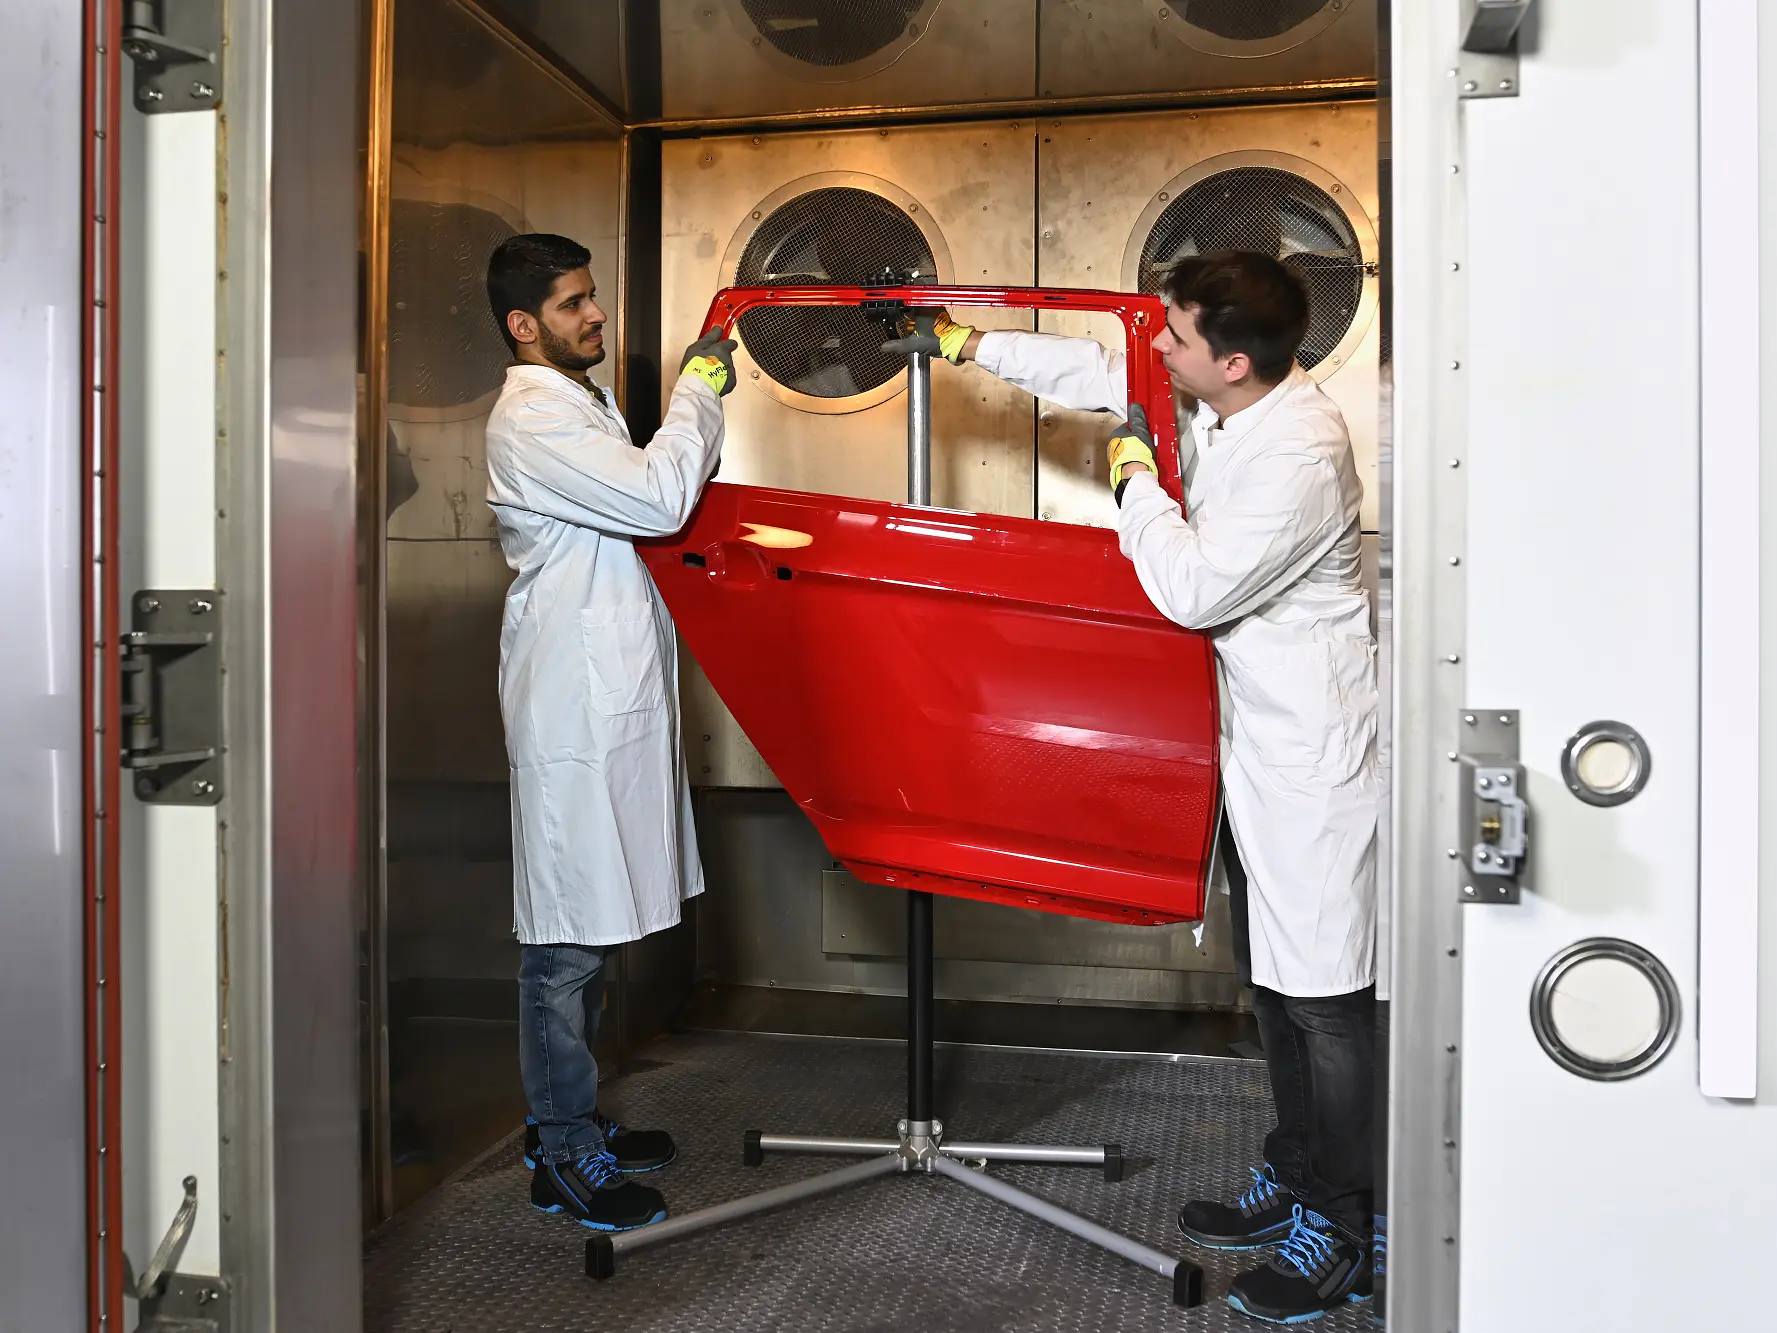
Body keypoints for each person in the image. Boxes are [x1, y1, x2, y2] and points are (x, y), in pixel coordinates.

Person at [908, 253, 1378, 1323]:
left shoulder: (1299, 453)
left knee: (1327, 1001)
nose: (1156, 349)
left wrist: (1131, 480)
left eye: (1175, 338)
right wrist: (967, 343)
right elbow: (1105, 368)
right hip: (1257, 745)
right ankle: (1301, 1176)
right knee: (1277, 980)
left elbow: (1190, 586)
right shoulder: (1237, 400)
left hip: (1315, 760)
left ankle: (1347, 1229)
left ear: (1234, 360)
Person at [482, 232, 737, 1232]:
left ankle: (577, 1119)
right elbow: (658, 497)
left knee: (590, 926)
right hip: (568, 704)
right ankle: (559, 1152)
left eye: (592, 298)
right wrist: (700, 390)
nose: (595, 317)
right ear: (522, 324)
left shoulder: (577, 400)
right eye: (575, 304)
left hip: (606, 697)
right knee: (562, 945)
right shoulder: (531, 420)